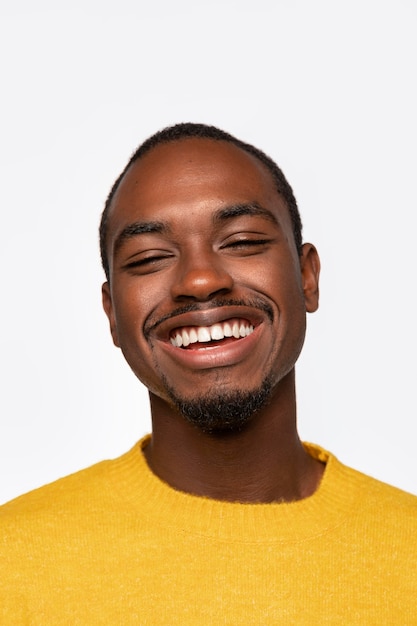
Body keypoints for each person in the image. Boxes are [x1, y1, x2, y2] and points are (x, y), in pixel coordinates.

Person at [1, 123, 416, 624]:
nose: (199, 280)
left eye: (241, 242)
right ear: (112, 312)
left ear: (307, 277)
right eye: (150, 257)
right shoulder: (15, 559)